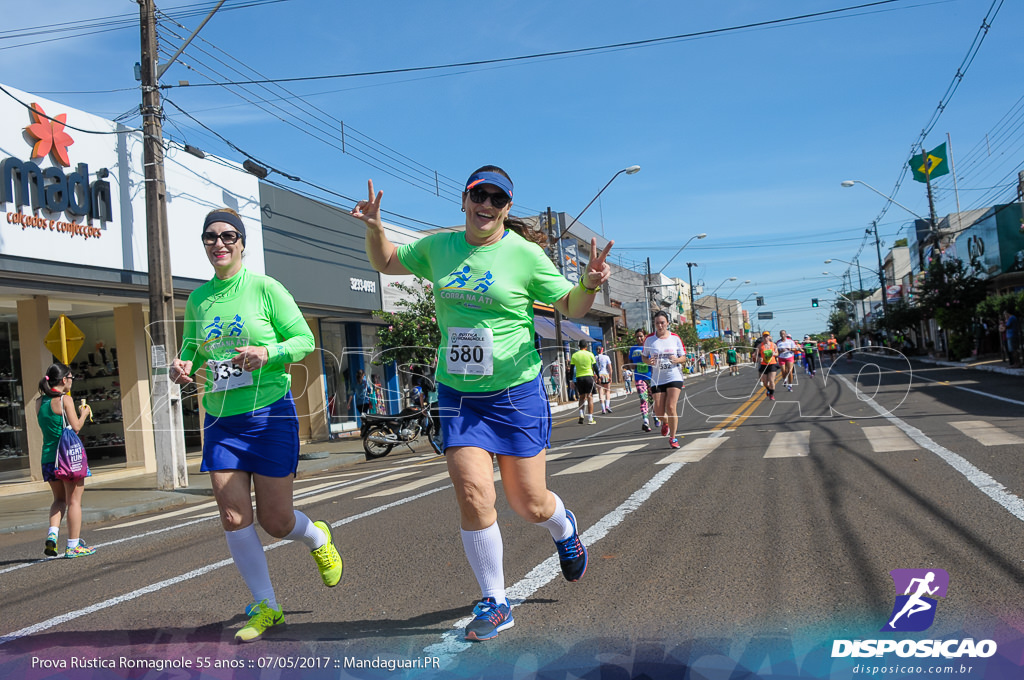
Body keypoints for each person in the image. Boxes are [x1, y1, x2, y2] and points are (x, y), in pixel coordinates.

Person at [355, 166, 608, 641]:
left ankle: (563, 526)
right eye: (479, 195)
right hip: (459, 392)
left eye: (497, 198)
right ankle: (496, 601)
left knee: (529, 504)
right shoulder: (438, 246)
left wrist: (590, 283)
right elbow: (386, 262)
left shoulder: (526, 255)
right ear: (465, 199)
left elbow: (571, 306)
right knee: (473, 494)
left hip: (515, 393)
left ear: (507, 207)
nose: (486, 204)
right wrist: (375, 228)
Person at [169, 208, 342, 644]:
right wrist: (183, 364)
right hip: (221, 417)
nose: (219, 243)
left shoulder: (265, 288)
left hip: (269, 414)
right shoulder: (198, 299)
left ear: (242, 242)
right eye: (210, 237)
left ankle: (316, 536)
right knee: (232, 515)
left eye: (228, 235)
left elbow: (304, 340)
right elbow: (192, 347)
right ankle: (267, 604)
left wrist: (269, 353)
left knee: (277, 521)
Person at [37, 362, 95, 559]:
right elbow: (76, 427)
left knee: (58, 500)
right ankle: (73, 546)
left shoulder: (39, 402)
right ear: (64, 380)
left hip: (47, 457)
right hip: (67, 458)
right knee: (74, 501)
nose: (71, 382)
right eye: (71, 378)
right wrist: (84, 413)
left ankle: (52, 535)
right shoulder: (64, 400)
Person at [643, 311, 686, 449]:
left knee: (671, 407)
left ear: (667, 323)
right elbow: (644, 357)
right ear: (654, 324)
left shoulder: (675, 338)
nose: (660, 325)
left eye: (662, 322)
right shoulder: (649, 339)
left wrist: (677, 359)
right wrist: (648, 361)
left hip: (673, 376)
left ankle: (673, 438)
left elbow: (683, 357)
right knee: (659, 412)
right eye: (657, 323)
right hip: (657, 378)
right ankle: (665, 422)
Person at [627, 328, 655, 432]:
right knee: (643, 399)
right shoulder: (633, 349)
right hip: (639, 377)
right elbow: (630, 362)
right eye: (637, 336)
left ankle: (655, 415)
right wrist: (631, 366)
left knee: (652, 398)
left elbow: (654, 360)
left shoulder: (649, 347)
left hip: (650, 377)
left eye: (641, 336)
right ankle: (645, 421)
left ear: (645, 336)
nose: (639, 338)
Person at [570, 340, 597, 425]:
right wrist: (598, 376)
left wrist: (571, 380)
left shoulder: (574, 355)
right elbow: (595, 367)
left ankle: (581, 414)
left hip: (579, 378)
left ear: (579, 346)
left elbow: (571, 369)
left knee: (581, 397)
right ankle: (590, 418)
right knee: (590, 397)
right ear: (586, 346)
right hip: (589, 376)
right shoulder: (590, 354)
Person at [753, 330, 779, 400]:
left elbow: (777, 353)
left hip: (772, 364)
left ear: (769, 337)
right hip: (764, 364)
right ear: (762, 337)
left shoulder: (773, 345)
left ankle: (771, 394)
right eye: (764, 336)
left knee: (771, 380)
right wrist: (759, 358)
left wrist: (774, 354)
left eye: (767, 336)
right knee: (765, 382)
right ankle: (768, 389)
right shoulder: (760, 346)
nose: (766, 337)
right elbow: (756, 354)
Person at [594, 345, 613, 413]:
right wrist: (610, 376)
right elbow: (610, 368)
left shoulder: (595, 358)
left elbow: (594, 369)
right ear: (602, 350)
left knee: (600, 392)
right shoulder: (606, 357)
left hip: (599, 375)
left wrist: (595, 377)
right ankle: (607, 405)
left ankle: (603, 408)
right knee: (607, 391)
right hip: (605, 375)